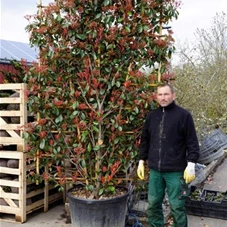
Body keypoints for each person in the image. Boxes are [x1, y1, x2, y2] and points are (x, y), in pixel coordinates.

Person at [137, 83, 200, 227]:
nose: (163, 98)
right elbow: (145, 140)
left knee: (177, 206)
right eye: (160, 94)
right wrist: (141, 160)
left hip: (176, 171)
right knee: (153, 204)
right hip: (155, 171)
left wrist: (191, 164)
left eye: (166, 94)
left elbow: (192, 143)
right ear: (156, 97)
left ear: (173, 95)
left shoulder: (184, 116)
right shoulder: (152, 117)